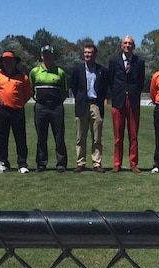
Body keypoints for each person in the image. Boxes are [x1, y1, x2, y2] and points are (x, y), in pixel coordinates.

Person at [106, 35, 145, 172]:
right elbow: (110, 80)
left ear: (133, 46)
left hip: (133, 101)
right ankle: (117, 163)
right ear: (121, 46)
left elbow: (141, 81)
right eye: (125, 43)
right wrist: (115, 95)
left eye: (130, 43)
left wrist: (133, 93)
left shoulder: (139, 62)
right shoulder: (114, 61)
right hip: (118, 101)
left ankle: (133, 163)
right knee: (118, 136)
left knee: (133, 135)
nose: (127, 45)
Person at [0, 51, 31, 173]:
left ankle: (22, 164)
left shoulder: (23, 77)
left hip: (17, 110)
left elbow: (27, 94)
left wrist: (17, 103)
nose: (7, 63)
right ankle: (3, 163)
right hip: (1, 110)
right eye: (5, 60)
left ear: (15, 62)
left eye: (10, 60)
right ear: (2, 62)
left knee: (20, 138)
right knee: (1, 138)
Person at [29, 45, 68, 172]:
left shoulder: (60, 72)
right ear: (41, 56)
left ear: (53, 55)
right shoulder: (34, 72)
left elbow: (64, 92)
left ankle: (61, 163)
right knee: (41, 137)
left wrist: (56, 103)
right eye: (44, 54)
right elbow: (31, 89)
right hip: (41, 107)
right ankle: (41, 163)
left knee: (59, 136)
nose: (47, 56)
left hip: (56, 107)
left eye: (49, 54)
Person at [70, 43, 107, 172]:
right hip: (82, 105)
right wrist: (80, 98)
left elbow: (104, 88)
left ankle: (97, 163)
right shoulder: (77, 69)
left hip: (96, 105)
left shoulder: (102, 70)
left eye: (90, 53)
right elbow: (73, 86)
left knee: (97, 136)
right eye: (85, 52)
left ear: (95, 55)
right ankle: (81, 162)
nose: (87, 55)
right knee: (80, 136)